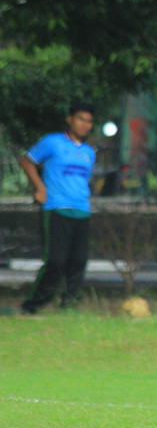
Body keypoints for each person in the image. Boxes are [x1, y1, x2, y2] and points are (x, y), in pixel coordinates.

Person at [19, 100, 98, 314]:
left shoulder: (89, 152)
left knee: (78, 261)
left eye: (89, 121)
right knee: (56, 261)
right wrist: (40, 188)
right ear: (70, 119)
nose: (85, 124)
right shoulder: (52, 142)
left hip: (82, 210)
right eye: (81, 119)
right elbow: (27, 161)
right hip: (56, 209)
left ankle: (69, 306)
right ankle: (33, 305)